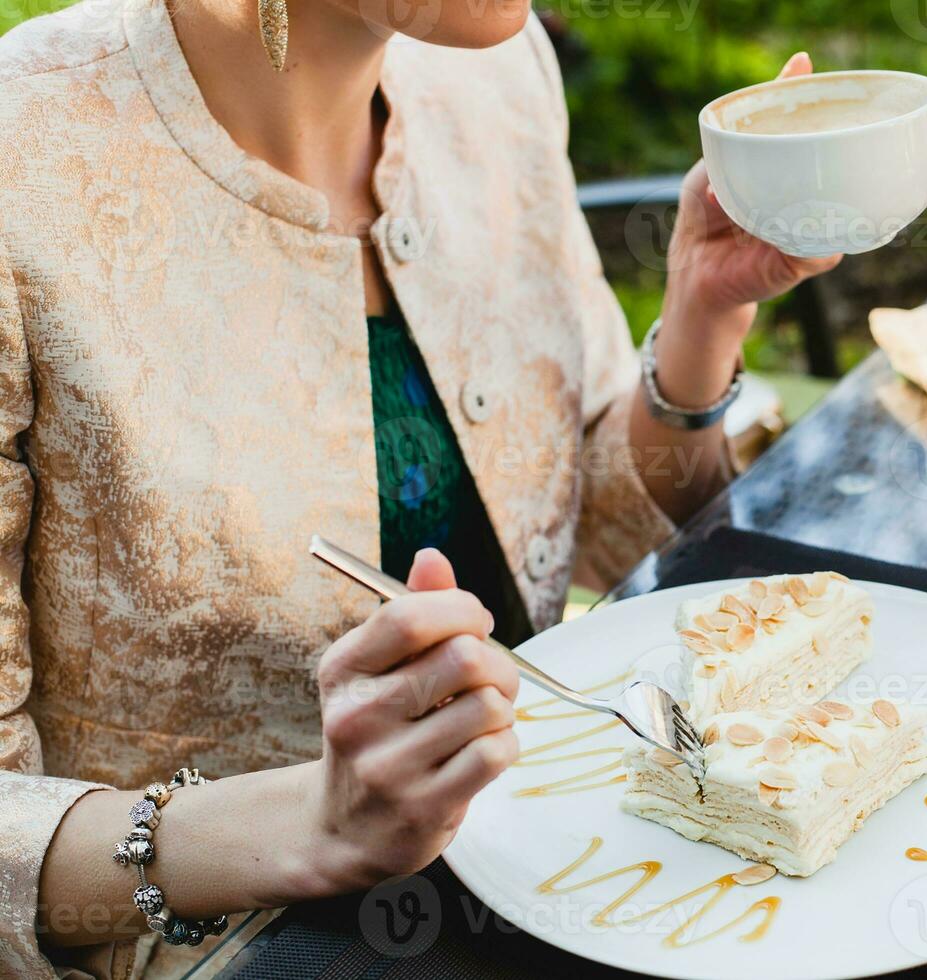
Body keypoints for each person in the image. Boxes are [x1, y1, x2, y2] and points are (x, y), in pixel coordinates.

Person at [0, 0, 837, 973]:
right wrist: (312, 824)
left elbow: (606, 536)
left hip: (573, 858)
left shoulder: (496, 71)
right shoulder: (27, 154)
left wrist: (700, 318)